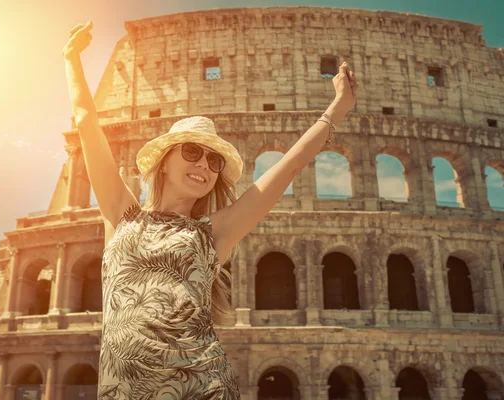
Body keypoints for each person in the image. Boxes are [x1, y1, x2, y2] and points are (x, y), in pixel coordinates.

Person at [62, 20, 358, 400]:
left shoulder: (214, 232)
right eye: (191, 152)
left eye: (213, 161)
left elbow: (290, 165)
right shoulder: (121, 213)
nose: (203, 165)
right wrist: (71, 59)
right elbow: (88, 124)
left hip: (201, 388)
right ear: (164, 161)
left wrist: (338, 109)